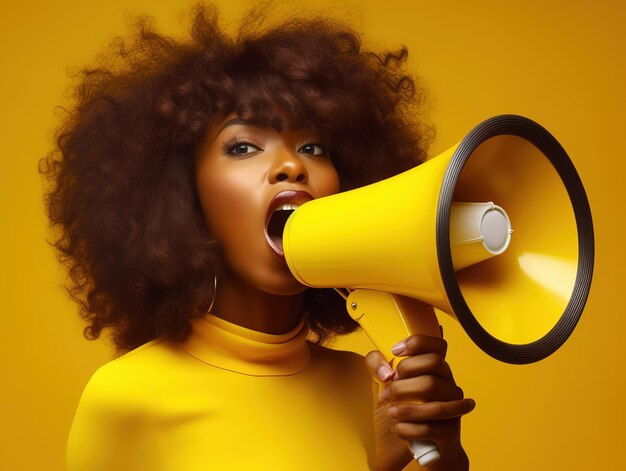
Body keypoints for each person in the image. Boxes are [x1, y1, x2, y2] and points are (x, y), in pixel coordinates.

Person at [41, 4, 475, 470]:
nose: (292, 165)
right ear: (183, 195)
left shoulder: (370, 392)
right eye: (243, 146)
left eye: (313, 147)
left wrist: (441, 456)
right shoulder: (126, 400)